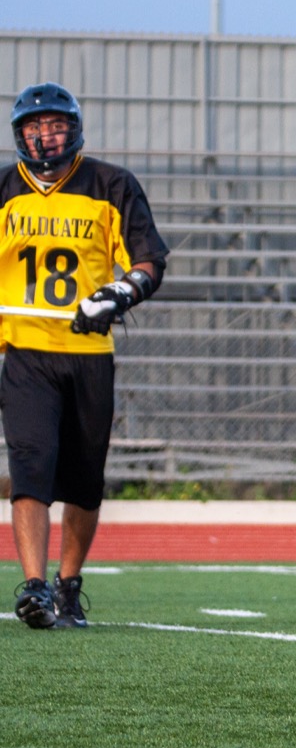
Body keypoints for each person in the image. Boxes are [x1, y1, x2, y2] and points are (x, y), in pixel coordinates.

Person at [5, 82, 169, 629]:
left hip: (88, 352)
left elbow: (149, 262)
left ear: (73, 130)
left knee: (84, 480)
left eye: (54, 126)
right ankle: (33, 587)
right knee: (30, 466)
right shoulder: (5, 190)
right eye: (35, 127)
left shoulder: (110, 184)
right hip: (26, 350)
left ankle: (67, 585)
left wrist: (118, 293)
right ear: (20, 135)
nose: (45, 136)